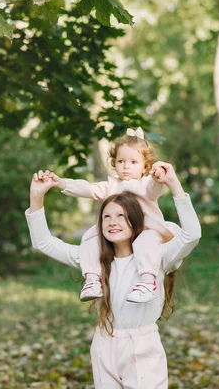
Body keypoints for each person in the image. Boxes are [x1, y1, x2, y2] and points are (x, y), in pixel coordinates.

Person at [26, 163, 201, 388]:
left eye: (121, 216)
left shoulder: (157, 256)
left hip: (142, 347)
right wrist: (36, 197)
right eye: (106, 217)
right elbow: (44, 243)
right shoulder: (93, 259)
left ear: (136, 221)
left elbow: (192, 235)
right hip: (104, 345)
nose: (112, 222)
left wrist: (174, 184)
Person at [45, 127, 174, 303]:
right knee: (90, 239)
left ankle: (147, 281)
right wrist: (62, 183)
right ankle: (92, 279)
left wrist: (158, 177)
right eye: (121, 161)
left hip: (144, 228)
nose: (126, 166)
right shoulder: (111, 186)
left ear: (145, 166)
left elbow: (156, 188)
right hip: (118, 231)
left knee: (147, 241)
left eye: (133, 162)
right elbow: (89, 188)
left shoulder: (146, 185)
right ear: (114, 163)